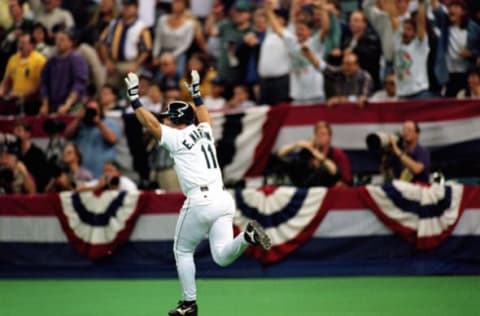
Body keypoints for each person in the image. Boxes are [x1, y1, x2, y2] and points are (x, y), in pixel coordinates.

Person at [124, 70, 271, 316]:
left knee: (182, 251)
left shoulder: (176, 137)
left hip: (200, 200)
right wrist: (196, 94)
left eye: (169, 118)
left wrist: (134, 98)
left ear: (177, 119)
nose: (166, 121)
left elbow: (150, 123)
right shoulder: (204, 131)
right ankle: (247, 237)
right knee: (222, 257)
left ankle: (189, 304)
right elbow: (204, 116)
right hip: (223, 199)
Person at [276, 120, 352, 187]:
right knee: (294, 163)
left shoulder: (338, 154)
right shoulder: (308, 152)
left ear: (330, 137)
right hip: (307, 189)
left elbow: (346, 181)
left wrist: (316, 154)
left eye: (323, 134)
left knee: (323, 170)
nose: (320, 137)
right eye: (318, 134)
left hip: (329, 191)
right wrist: (297, 144)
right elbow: (280, 154)